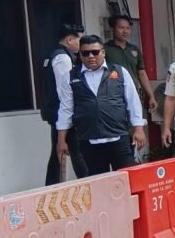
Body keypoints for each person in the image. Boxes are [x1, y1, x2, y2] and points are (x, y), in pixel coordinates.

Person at [56, 35, 146, 175]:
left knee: (127, 180)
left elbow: (133, 102)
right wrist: (61, 140)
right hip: (89, 141)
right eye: (85, 53)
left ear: (103, 53)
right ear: (80, 54)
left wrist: (138, 129)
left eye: (95, 52)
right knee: (97, 184)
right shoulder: (70, 77)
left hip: (119, 138)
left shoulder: (120, 72)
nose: (91, 56)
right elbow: (65, 110)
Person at [41, 23, 89, 184]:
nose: (82, 45)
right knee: (77, 152)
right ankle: (88, 184)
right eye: (80, 40)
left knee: (59, 153)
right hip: (64, 113)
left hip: (57, 112)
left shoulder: (54, 55)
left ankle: (52, 186)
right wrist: (71, 113)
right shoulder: (63, 58)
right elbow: (65, 89)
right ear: (70, 40)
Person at [103, 14, 158, 115]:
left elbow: (141, 73)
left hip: (134, 93)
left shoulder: (134, 49)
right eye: (121, 28)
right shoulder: (104, 49)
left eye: (128, 28)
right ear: (112, 29)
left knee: (136, 120)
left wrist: (151, 96)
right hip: (114, 95)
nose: (125, 31)